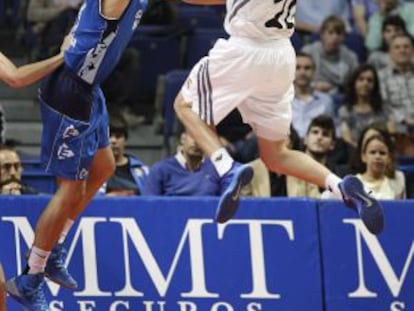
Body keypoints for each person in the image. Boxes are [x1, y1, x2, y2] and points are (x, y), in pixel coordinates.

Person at [174, 0, 384, 235]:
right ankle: (340, 186)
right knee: (275, 154)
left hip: (245, 50)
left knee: (186, 105)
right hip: (280, 57)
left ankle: (227, 168)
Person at [5, 0, 149, 310]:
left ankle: (54, 246)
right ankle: (30, 277)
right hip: (69, 93)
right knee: (70, 189)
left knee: (104, 167)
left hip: (89, 88)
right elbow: (16, 78)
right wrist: (63, 56)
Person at [143, 130, 221, 196]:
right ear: (183, 138)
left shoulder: (217, 170)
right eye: (193, 136)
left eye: (201, 138)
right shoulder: (160, 169)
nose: (196, 142)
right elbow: (149, 207)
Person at [339, 64, 393, 148]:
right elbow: (347, 141)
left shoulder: (384, 109)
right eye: (361, 79)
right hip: (354, 154)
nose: (365, 83)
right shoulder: (345, 111)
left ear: (375, 85)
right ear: (354, 83)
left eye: (370, 80)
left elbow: (392, 137)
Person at [301, 15, 359, 94]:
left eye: (338, 33)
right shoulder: (308, 52)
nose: (335, 37)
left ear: (343, 37)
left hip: (340, 95)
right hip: (310, 92)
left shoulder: (350, 57)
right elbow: (297, 78)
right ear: (322, 34)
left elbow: (356, 84)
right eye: (330, 33)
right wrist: (313, 86)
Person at [291, 52, 335, 139]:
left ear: (314, 72)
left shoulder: (326, 101)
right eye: (297, 68)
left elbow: (331, 131)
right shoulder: (281, 101)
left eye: (307, 68)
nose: (302, 72)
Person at [99, 118, 149, 196]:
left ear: (125, 140)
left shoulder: (143, 171)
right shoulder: (93, 171)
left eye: (118, 136)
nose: (113, 141)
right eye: (109, 136)